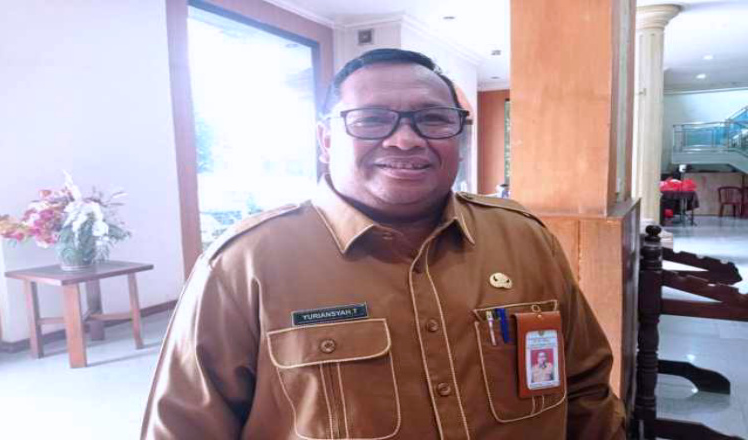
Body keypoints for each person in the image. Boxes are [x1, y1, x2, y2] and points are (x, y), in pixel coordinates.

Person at [141, 48, 625, 439]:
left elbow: (586, 390)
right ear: (325, 140)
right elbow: (184, 429)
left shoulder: (524, 238)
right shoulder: (244, 265)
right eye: (371, 120)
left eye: (433, 119)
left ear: (458, 135)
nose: (405, 140)